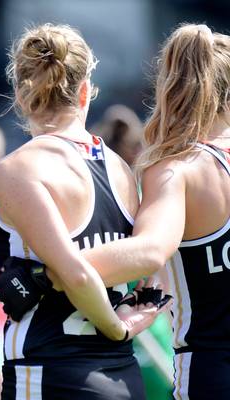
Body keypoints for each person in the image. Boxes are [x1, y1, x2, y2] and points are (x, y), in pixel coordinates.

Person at [0, 24, 168, 399]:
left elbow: (78, 275)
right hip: (124, 378)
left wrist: (116, 328)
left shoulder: (16, 169)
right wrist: (128, 323)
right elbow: (150, 268)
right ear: (85, 90)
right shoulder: (120, 168)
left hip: (50, 376)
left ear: (21, 96)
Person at [67, 23, 230, 399]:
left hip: (212, 373)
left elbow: (149, 251)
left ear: (169, 88)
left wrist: (51, 269)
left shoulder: (179, 169)